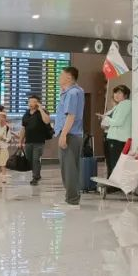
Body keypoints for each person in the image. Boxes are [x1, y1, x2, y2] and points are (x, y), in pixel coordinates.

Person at [55, 66, 86, 207]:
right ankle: (71, 197)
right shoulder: (75, 91)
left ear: (68, 77)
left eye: (61, 75)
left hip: (70, 134)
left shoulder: (72, 93)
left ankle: (72, 200)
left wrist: (63, 135)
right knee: (71, 168)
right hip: (73, 134)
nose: (58, 77)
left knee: (69, 169)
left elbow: (71, 115)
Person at [21, 95, 53, 185]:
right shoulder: (26, 114)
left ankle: (35, 177)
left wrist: (41, 109)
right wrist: (20, 141)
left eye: (33, 102)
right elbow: (23, 128)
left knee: (35, 159)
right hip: (28, 141)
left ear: (38, 103)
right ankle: (37, 175)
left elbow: (47, 121)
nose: (30, 103)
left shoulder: (42, 112)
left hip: (39, 141)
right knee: (30, 159)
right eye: (29, 102)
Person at [101, 85, 132, 178]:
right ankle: (113, 181)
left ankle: (114, 183)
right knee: (114, 164)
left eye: (119, 93)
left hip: (117, 139)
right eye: (115, 93)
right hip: (117, 138)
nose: (116, 95)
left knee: (114, 164)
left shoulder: (125, 104)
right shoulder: (121, 105)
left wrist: (106, 118)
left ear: (125, 95)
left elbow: (118, 122)